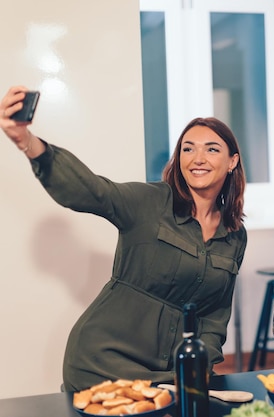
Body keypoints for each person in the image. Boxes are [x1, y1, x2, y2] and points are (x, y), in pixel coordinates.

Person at [0, 86, 247, 391]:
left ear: (232, 161)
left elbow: (214, 315)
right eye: (187, 148)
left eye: (211, 149)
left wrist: (198, 366)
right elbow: (92, 191)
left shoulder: (235, 236)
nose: (197, 158)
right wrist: (29, 143)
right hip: (102, 363)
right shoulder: (149, 201)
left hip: (169, 374)